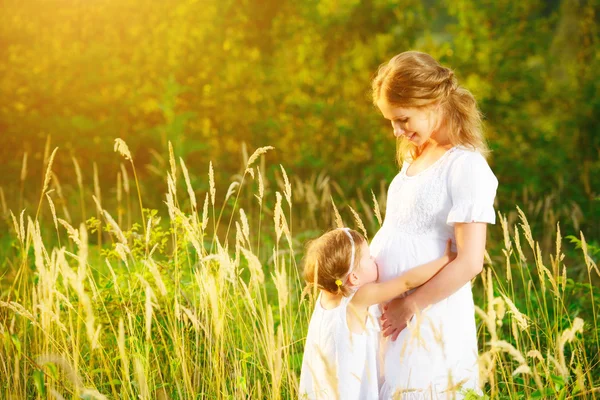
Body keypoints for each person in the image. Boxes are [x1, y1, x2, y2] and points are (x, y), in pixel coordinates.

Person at [369, 51, 499, 399]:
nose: (396, 131)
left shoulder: (465, 166)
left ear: (429, 102)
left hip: (426, 314)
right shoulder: (419, 155)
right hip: (392, 313)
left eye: (402, 119)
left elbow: (470, 261)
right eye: (391, 122)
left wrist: (410, 305)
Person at [299, 227, 456, 400]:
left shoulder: (325, 297)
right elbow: (407, 282)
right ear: (354, 278)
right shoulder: (358, 299)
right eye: (368, 258)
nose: (373, 258)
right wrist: (444, 260)